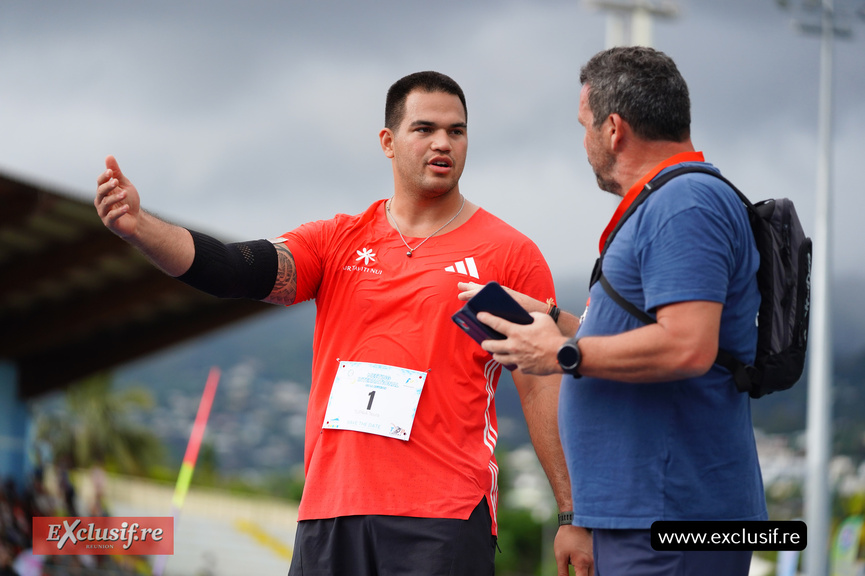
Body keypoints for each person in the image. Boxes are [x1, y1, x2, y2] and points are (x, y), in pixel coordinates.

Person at [94, 71, 593, 576]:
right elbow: (233, 270)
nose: (443, 142)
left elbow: (541, 387)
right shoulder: (337, 241)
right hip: (330, 511)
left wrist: (571, 514)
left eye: (456, 131)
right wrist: (141, 228)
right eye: (424, 129)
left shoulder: (509, 254)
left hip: (443, 515)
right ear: (388, 141)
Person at [463, 47, 767, 576]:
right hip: (649, 515)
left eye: (584, 126)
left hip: (670, 519)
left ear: (613, 129)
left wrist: (562, 352)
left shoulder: (684, 204)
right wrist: (555, 320)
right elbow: (645, 332)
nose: (583, 143)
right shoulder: (671, 201)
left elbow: (687, 346)